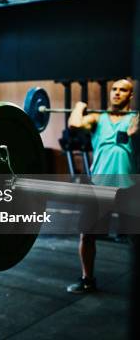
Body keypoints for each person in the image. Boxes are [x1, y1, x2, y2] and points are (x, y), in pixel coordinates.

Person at [67, 78, 138, 294]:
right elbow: (75, 124)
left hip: (129, 187)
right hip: (99, 186)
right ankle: (87, 279)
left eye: (122, 90)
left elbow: (134, 132)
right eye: (114, 89)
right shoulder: (98, 118)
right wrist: (79, 106)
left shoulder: (135, 118)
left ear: (130, 95)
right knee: (87, 235)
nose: (116, 93)